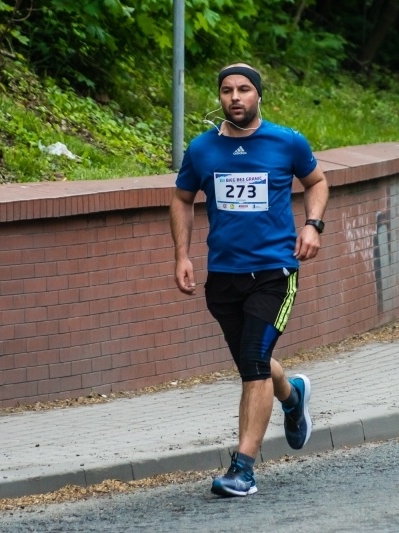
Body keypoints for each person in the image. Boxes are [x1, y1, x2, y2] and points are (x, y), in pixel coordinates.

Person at [170, 63, 329, 497]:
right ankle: (292, 396)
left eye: (244, 89)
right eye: (227, 90)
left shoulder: (286, 141)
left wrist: (312, 224)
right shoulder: (202, 149)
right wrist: (182, 255)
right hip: (223, 276)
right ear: (219, 97)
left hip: (274, 272)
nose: (235, 97)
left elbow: (317, 182)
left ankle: (243, 469)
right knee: (251, 360)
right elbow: (181, 198)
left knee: (254, 363)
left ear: (258, 95)